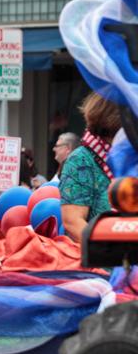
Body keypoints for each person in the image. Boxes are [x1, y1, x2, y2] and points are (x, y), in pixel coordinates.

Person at [60, 92, 121, 242]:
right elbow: (72, 222)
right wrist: (111, 252)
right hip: (103, 261)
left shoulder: (128, 156)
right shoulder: (81, 160)